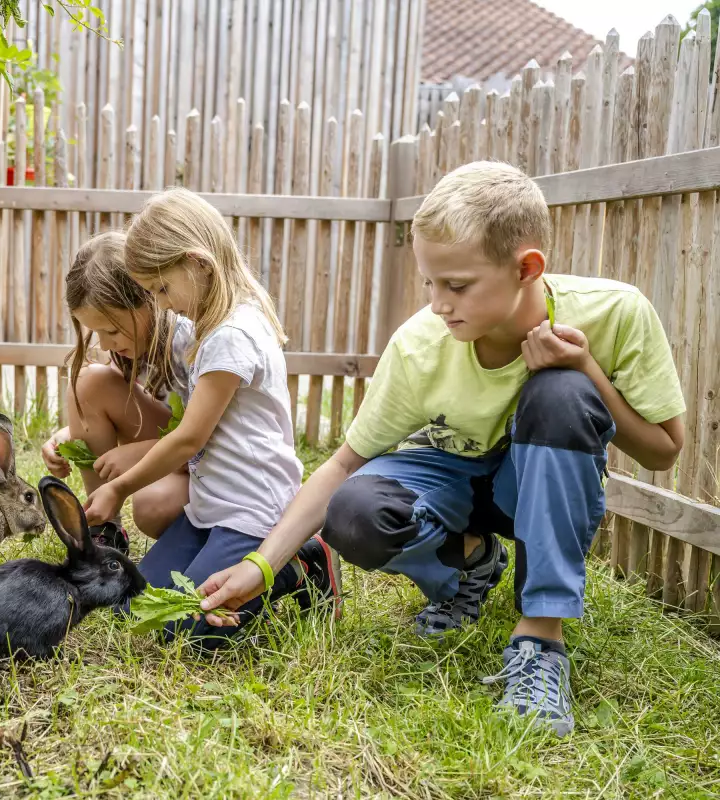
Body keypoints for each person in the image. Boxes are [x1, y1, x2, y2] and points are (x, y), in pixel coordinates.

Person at [197, 161, 685, 735]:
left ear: (526, 268)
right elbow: (343, 464)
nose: (437, 303)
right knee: (354, 511)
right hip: (454, 476)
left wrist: (586, 368)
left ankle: (539, 642)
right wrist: (260, 564)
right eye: (430, 282)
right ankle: (469, 567)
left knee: (561, 393)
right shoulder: (420, 346)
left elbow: (662, 451)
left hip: (538, 482)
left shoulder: (615, 312)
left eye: (457, 285)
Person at [82, 187, 341, 649]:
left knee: (186, 632)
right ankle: (234, 563)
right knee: (133, 607)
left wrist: (119, 487)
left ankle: (300, 562)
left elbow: (188, 439)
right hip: (210, 509)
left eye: (162, 289)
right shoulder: (208, 326)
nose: (161, 303)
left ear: (198, 262)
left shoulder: (231, 335)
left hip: (252, 513)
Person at [40, 231, 194, 552]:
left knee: (151, 507)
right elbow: (129, 413)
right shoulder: (130, 346)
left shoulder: (187, 342)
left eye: (111, 330)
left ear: (147, 298)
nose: (106, 344)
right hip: (177, 449)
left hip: (212, 459)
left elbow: (209, 438)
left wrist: (140, 452)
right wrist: (70, 437)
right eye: (97, 332)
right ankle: (104, 528)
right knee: (88, 382)